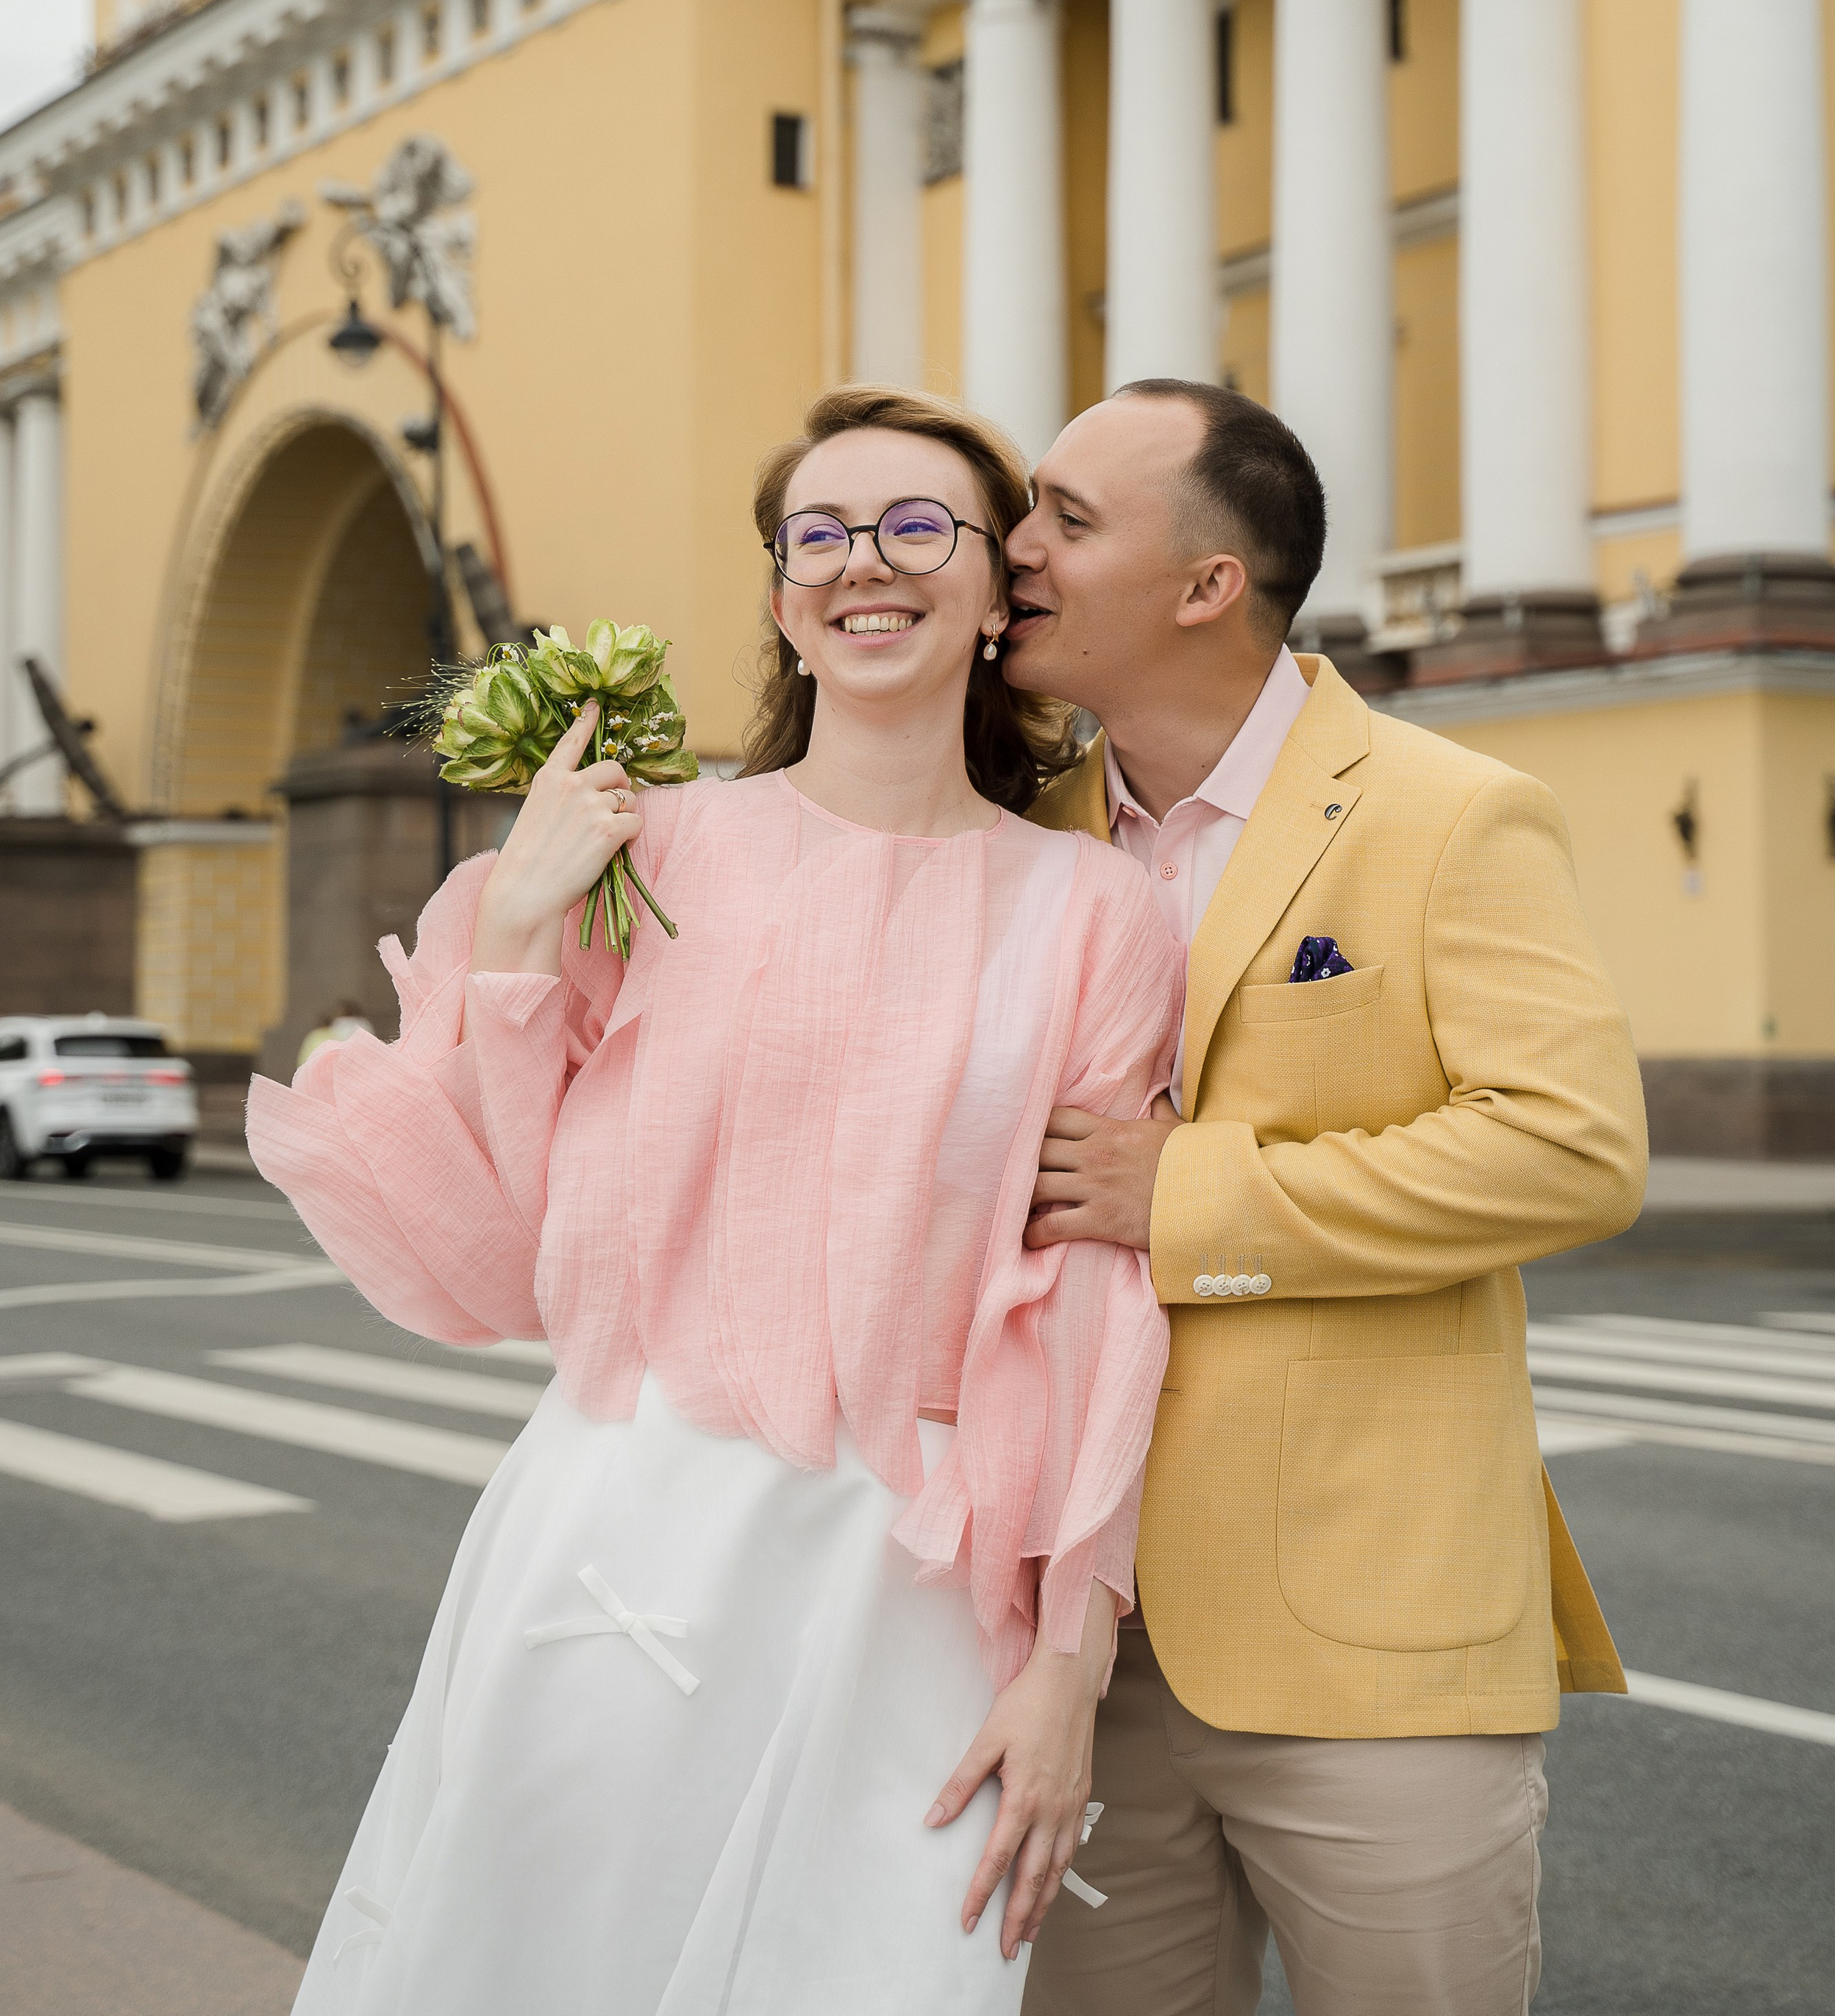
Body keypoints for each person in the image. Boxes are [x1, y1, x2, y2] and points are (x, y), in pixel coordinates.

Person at [248, 385, 1186, 2015]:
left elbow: (1093, 1300)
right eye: (815, 535)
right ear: (778, 602)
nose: (860, 565)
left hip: (913, 1574)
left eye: (914, 528)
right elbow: (501, 1236)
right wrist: (527, 934)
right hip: (623, 1529)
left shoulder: (1097, 913)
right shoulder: (647, 854)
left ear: (988, 592)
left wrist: (1065, 1661)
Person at [1004, 380, 1649, 2016]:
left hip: (1372, 1657)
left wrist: (1187, 1197)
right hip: (1073, 1657)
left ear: (1206, 585)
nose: (1013, 549)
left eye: (1065, 519)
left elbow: (1569, 1144)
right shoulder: (1011, 848)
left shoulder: (1447, 813)